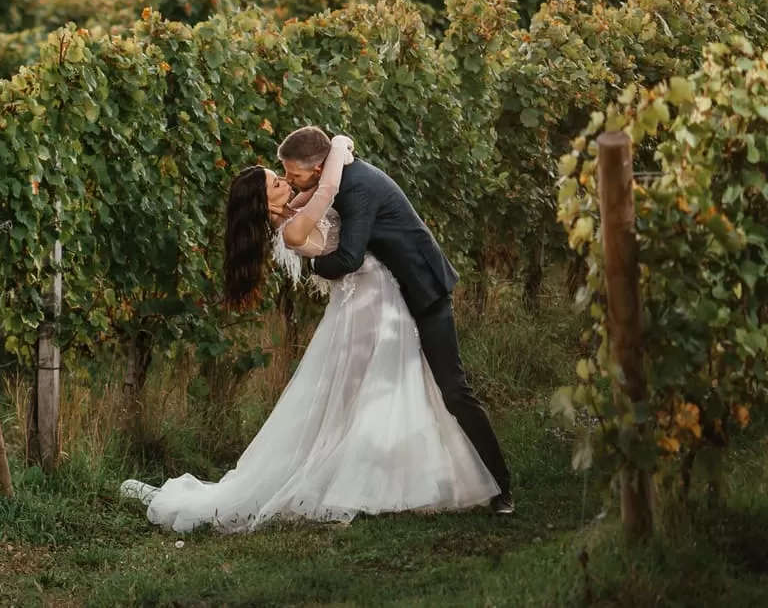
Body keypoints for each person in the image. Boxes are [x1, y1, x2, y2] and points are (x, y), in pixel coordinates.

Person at [119, 134, 503, 534]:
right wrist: (339, 146)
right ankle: (357, 482)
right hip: (365, 309)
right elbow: (330, 190)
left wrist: (336, 154)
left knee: (388, 392)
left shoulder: (294, 210)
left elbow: (320, 189)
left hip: (379, 301)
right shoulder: (292, 228)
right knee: (364, 397)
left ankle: (395, 477)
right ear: (265, 203)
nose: (287, 182)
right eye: (277, 181)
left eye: (284, 176)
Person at [279, 126, 513, 515]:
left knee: (453, 389)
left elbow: (350, 256)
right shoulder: (339, 178)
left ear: (319, 169)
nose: (290, 182)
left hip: (423, 291)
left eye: (294, 175)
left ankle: (501, 486)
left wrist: (315, 265)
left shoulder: (356, 188)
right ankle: (404, 481)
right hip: (393, 299)